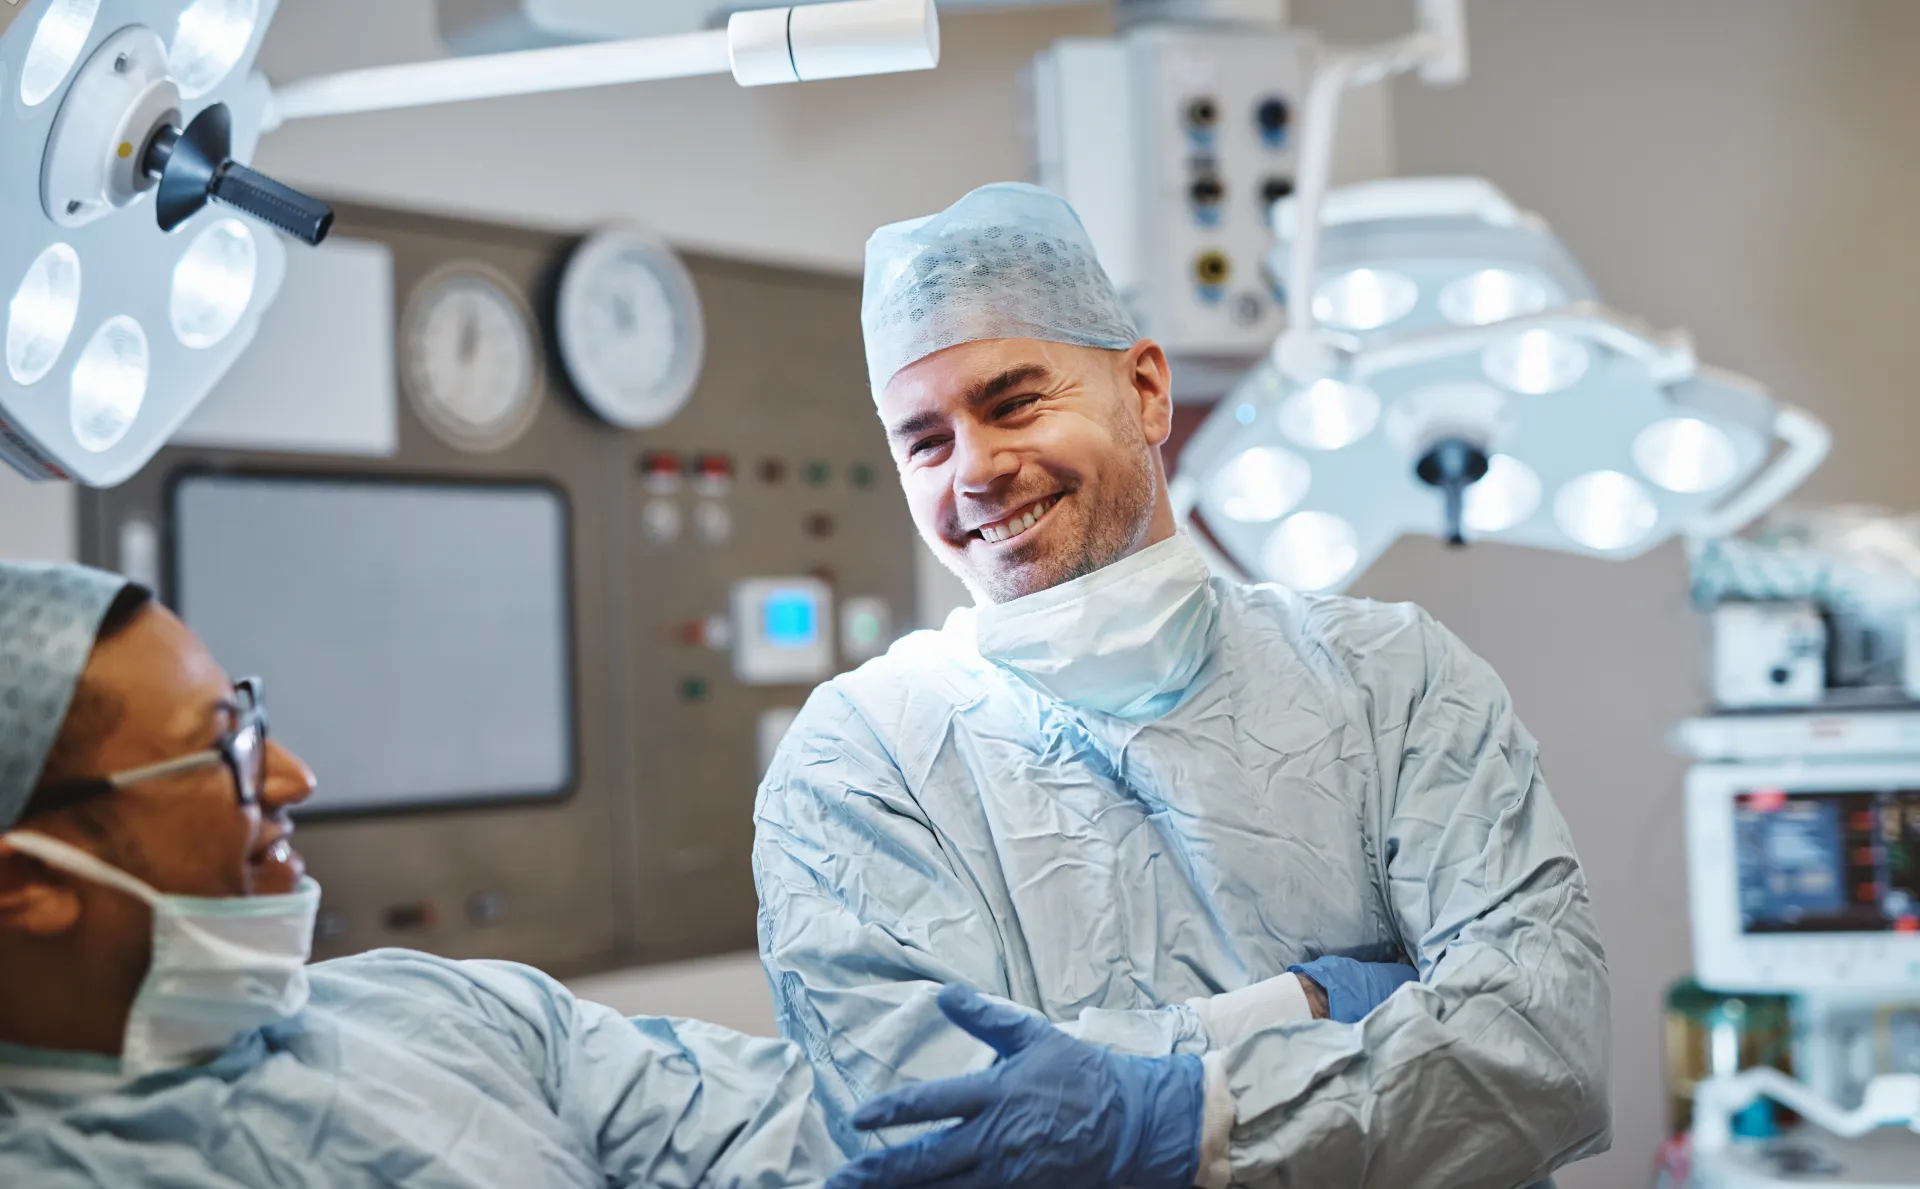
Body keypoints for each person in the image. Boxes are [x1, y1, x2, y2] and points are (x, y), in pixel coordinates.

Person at [752, 183, 1612, 1188]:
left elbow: (1542, 1048)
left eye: (1014, 402)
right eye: (926, 441)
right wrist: (1321, 1005)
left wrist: (1156, 1115)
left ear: (1147, 391)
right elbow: (937, 1138)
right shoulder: (859, 765)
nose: (976, 469)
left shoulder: (1396, 678)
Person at [0, 561, 841, 1187]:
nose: (293, 777)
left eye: (249, 720)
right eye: (222, 749)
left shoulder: (432, 1009)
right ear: (24, 884)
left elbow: (762, 1125)